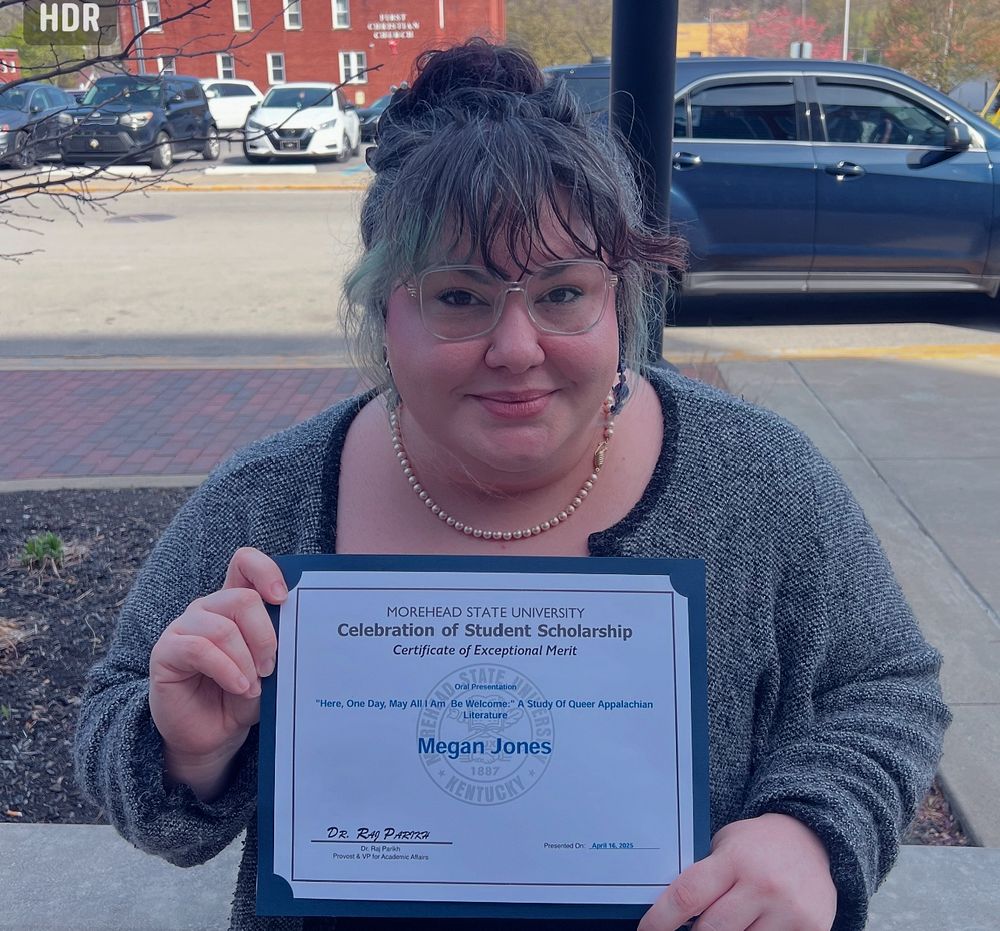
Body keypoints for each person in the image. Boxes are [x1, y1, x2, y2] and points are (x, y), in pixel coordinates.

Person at [75, 39, 949, 931]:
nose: (518, 348)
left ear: (618, 298)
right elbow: (119, 717)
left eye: (562, 293)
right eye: (460, 296)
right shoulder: (269, 500)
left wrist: (810, 831)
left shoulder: (758, 480)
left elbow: (885, 685)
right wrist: (187, 749)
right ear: (385, 311)